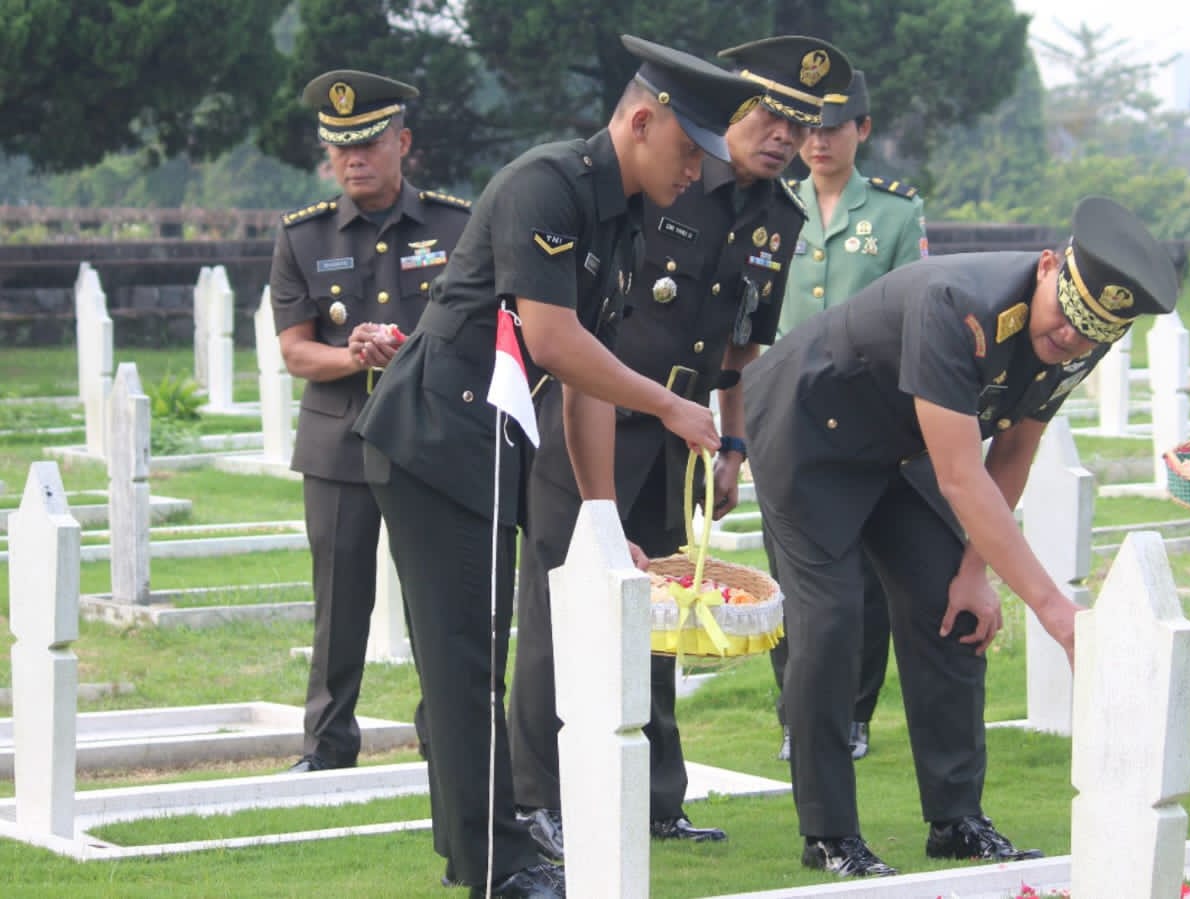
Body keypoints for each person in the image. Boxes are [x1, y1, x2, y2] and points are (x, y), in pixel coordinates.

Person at [352, 36, 761, 899]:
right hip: (430, 439)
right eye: (688, 149)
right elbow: (553, 340)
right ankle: (500, 865)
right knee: (465, 664)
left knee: (467, 662)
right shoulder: (549, 185)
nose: (697, 170)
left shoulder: (621, 218)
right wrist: (671, 403)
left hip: (490, 447)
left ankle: (482, 849)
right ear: (639, 121)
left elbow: (582, 381)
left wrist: (603, 521)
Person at [745, 195, 1176, 876]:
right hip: (809, 432)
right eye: (1065, 316)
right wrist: (1054, 609)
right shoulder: (956, 302)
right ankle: (827, 833)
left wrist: (975, 572)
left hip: (900, 444)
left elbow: (1012, 453)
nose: (1068, 338)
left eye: (1089, 333)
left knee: (952, 610)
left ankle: (956, 819)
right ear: (1045, 267)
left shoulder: (1081, 337)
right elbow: (960, 476)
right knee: (829, 624)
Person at [507, 34, 847, 855]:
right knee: (560, 617)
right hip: (590, 423)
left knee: (660, 617)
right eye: (768, 115)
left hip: (680, 438)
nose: (781, 137)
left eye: (797, 127)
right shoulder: (657, 184)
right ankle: (534, 799)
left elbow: (739, 348)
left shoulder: (778, 219)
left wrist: (729, 444)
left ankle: (658, 794)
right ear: (727, 113)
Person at [269, 69, 471, 775]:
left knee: (436, 601)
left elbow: (480, 328)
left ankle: (446, 738)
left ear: (402, 144)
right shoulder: (302, 237)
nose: (353, 159)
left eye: (369, 143)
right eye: (340, 147)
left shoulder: (455, 226)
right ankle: (326, 745)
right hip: (338, 440)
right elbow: (295, 349)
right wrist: (349, 353)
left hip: (428, 441)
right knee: (339, 602)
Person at [767, 69, 930, 764]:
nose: (817, 141)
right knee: (788, 574)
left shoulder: (894, 213)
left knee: (861, 580)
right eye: (807, 128)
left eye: (832, 127)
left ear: (861, 129)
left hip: (865, 415)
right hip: (785, 413)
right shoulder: (771, 204)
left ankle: (854, 713)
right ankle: (794, 713)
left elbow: (913, 310)